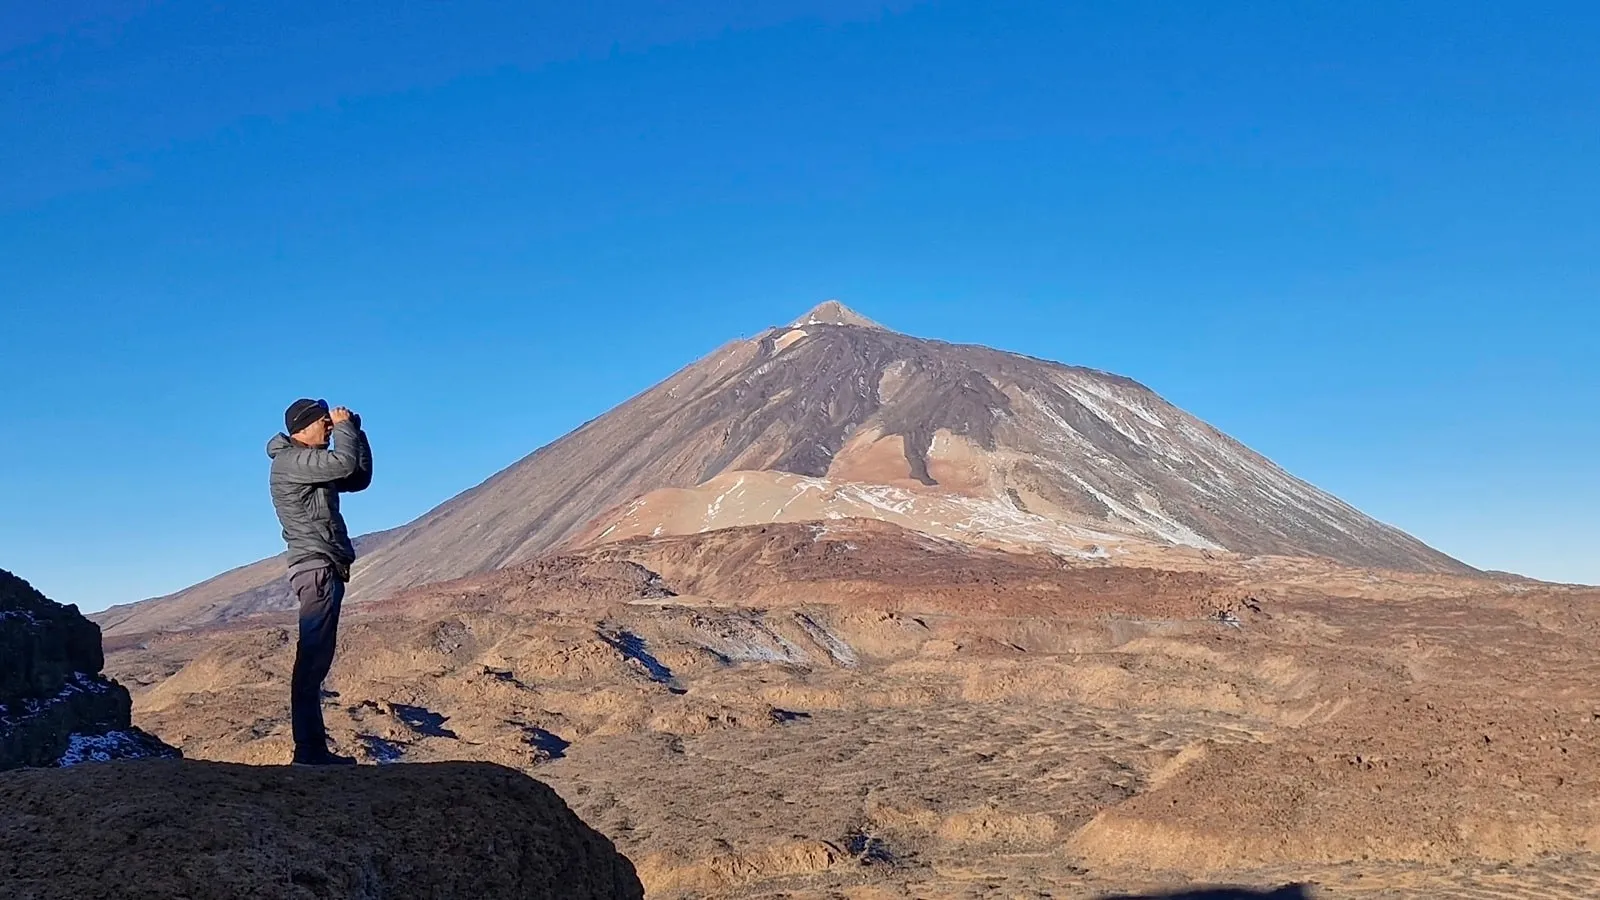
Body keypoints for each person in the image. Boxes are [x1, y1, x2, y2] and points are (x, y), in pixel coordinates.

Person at [267, 398, 373, 765]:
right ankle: (309, 752)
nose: (329, 426)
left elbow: (357, 478)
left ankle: (311, 750)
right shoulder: (291, 462)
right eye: (323, 422)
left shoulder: (308, 464)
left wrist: (355, 432)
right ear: (302, 427)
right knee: (312, 661)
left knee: (315, 659)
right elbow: (343, 462)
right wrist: (343, 431)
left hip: (321, 566)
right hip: (316, 568)